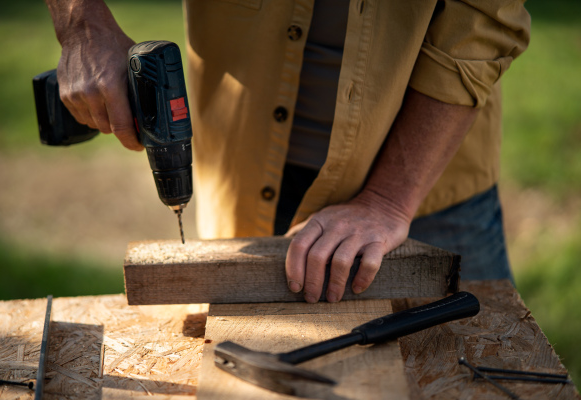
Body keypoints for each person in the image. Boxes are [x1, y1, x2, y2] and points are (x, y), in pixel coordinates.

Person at [45, 0, 531, 303]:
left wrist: (390, 199)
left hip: (429, 185)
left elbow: (485, 18)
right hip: (245, 172)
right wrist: (80, 20)